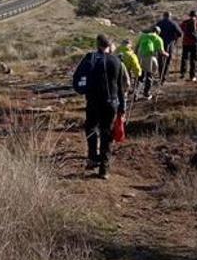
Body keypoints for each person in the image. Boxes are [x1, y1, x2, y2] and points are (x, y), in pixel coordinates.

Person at [72, 34, 125, 179]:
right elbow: (121, 87)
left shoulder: (90, 58)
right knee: (107, 133)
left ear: (97, 44)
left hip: (93, 101)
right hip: (111, 102)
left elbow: (76, 79)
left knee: (91, 127)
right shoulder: (117, 61)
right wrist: (122, 108)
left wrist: (83, 90)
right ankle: (104, 169)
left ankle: (93, 157)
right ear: (110, 45)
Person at [135, 27, 168, 100]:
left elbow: (136, 47)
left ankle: (136, 93)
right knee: (149, 75)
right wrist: (166, 54)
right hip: (149, 57)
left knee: (141, 75)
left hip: (140, 56)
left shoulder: (143, 36)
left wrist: (135, 56)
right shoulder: (158, 39)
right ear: (158, 32)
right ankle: (146, 93)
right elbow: (161, 52)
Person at [155, 11, 183, 83]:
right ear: (170, 16)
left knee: (160, 59)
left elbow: (154, 31)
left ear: (163, 16)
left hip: (159, 42)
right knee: (167, 59)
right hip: (169, 43)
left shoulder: (159, 23)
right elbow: (180, 33)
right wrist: (175, 38)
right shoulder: (173, 23)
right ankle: (164, 75)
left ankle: (161, 74)